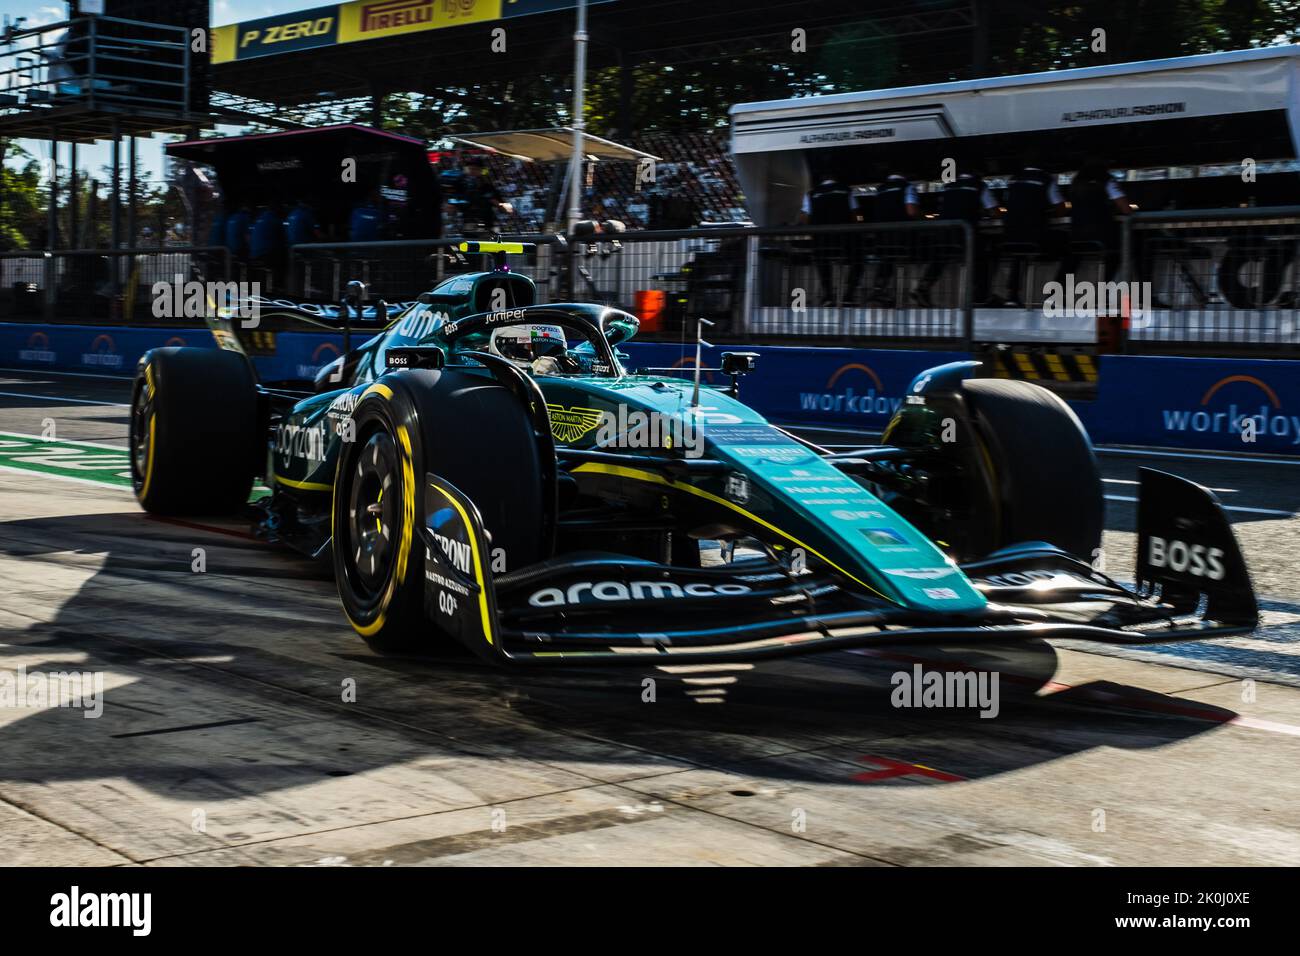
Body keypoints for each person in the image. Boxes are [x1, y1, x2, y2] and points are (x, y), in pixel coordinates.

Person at [912, 170, 1001, 307]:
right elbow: (995, 212)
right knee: (986, 256)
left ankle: (923, 287)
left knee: (940, 257)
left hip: (944, 236)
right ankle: (980, 296)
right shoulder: (979, 186)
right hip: (965, 237)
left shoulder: (949, 186)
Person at [1002, 159, 1065, 307]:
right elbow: (1061, 208)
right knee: (1070, 249)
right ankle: (1053, 296)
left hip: (1009, 237)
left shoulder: (1013, 179)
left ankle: (1012, 296)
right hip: (1036, 238)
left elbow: (1006, 205)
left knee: (1018, 253)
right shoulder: (1046, 179)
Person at [799, 172, 861, 306]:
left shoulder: (811, 194)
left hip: (821, 244)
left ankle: (828, 296)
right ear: (836, 178)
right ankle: (848, 296)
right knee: (859, 259)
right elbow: (856, 217)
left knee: (822, 261)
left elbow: (804, 219)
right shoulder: (846, 191)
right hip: (845, 244)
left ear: (821, 179)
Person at [864, 172, 919, 306]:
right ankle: (899, 297)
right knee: (896, 258)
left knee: (886, 259)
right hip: (902, 239)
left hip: (882, 239)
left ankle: (879, 290)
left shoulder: (880, 189)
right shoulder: (907, 187)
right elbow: (911, 211)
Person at [461, 155, 513, 236]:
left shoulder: (489, 188)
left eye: (475, 169)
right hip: (469, 228)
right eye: (470, 169)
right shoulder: (464, 187)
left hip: (488, 228)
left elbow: (509, 209)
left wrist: (496, 203)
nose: (472, 172)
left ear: (482, 171)